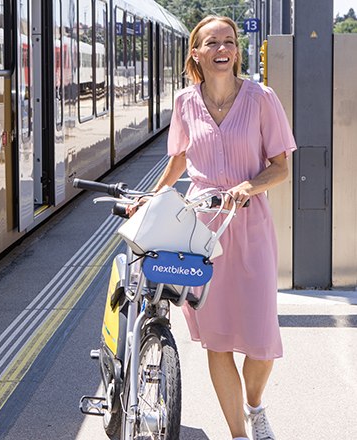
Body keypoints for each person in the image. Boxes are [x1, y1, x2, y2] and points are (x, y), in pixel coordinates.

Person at [149, 16, 296, 440]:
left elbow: (281, 167)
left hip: (250, 226)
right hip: (202, 232)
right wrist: (153, 199)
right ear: (195, 52)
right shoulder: (184, 103)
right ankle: (237, 434)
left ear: (237, 50)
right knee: (217, 340)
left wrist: (248, 186)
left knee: (261, 339)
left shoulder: (262, 98)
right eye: (212, 42)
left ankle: (255, 406)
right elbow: (178, 161)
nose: (222, 49)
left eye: (229, 42)